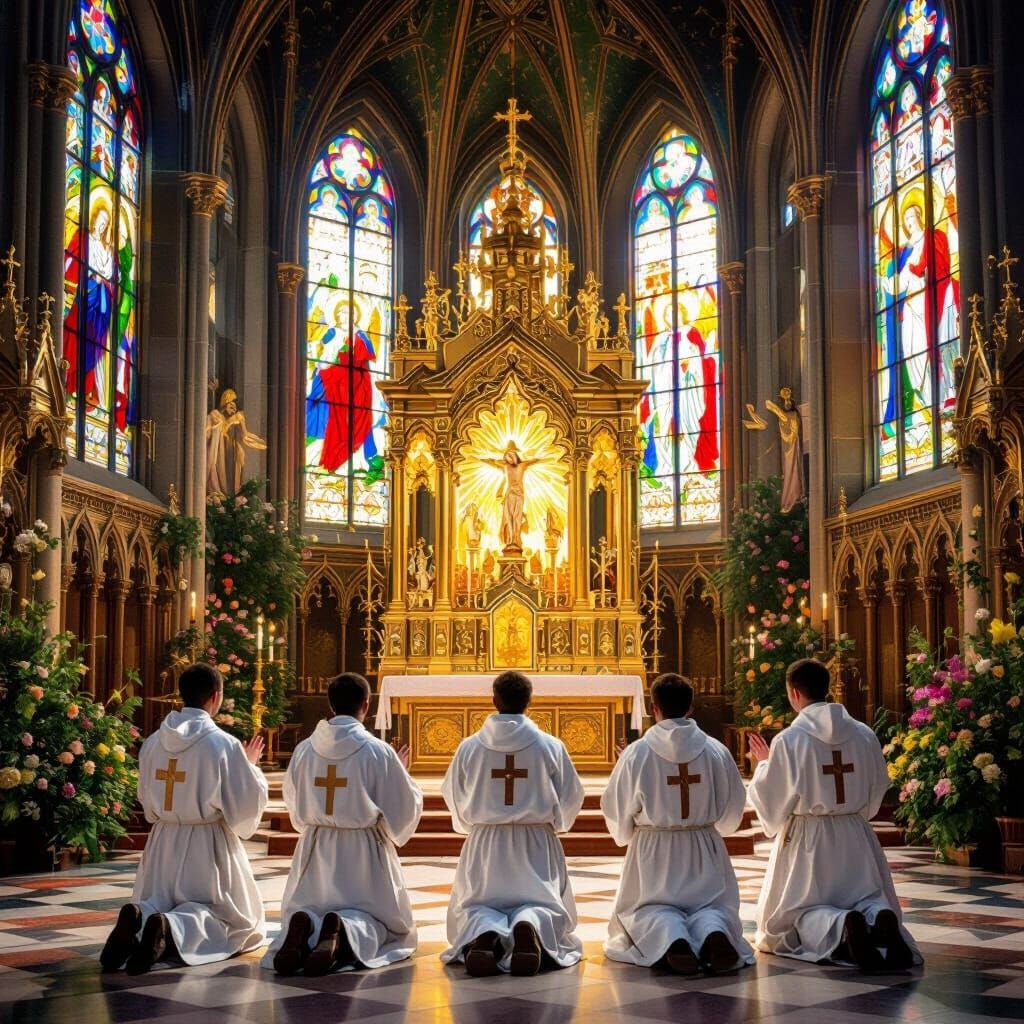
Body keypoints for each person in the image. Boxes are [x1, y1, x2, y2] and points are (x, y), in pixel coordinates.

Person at [747, 658, 921, 972]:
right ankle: (879, 915)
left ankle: (841, 925)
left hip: (809, 838)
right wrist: (855, 812)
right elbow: (879, 785)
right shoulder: (863, 734)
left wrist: (763, 763)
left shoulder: (789, 740)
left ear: (795, 693)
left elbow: (772, 798)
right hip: (855, 832)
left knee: (796, 916)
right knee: (865, 894)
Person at [99, 664, 268, 974]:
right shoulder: (223, 744)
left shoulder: (153, 742)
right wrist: (251, 766)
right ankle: (172, 927)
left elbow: (145, 798)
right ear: (216, 697)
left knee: (159, 898)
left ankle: (140, 918)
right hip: (206, 842)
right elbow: (243, 806)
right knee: (234, 922)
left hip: (164, 839)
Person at [264, 672, 422, 975]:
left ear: (331, 705)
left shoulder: (305, 749)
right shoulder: (378, 751)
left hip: (316, 844)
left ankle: (307, 923)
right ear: (367, 703)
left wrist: (312, 823)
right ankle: (344, 927)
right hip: (363, 848)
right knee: (390, 929)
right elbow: (401, 809)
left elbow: (294, 805)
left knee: (313, 903)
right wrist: (401, 774)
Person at [602, 673, 753, 974]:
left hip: (654, 849)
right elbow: (734, 806)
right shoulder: (716, 751)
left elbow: (617, 807)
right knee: (710, 907)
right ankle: (714, 934)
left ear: (653, 708)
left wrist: (625, 833)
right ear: (691, 708)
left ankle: (672, 940)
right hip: (703, 845)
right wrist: (715, 829)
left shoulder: (637, 753)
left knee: (649, 909)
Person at [441, 670, 584, 976]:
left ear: (494, 701)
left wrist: (469, 824)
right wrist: (557, 824)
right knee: (540, 899)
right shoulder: (549, 745)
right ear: (530, 702)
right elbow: (572, 794)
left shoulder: (470, 746)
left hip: (486, 840)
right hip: (536, 839)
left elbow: (452, 792)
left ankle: (484, 933)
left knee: (479, 901)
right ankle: (529, 926)